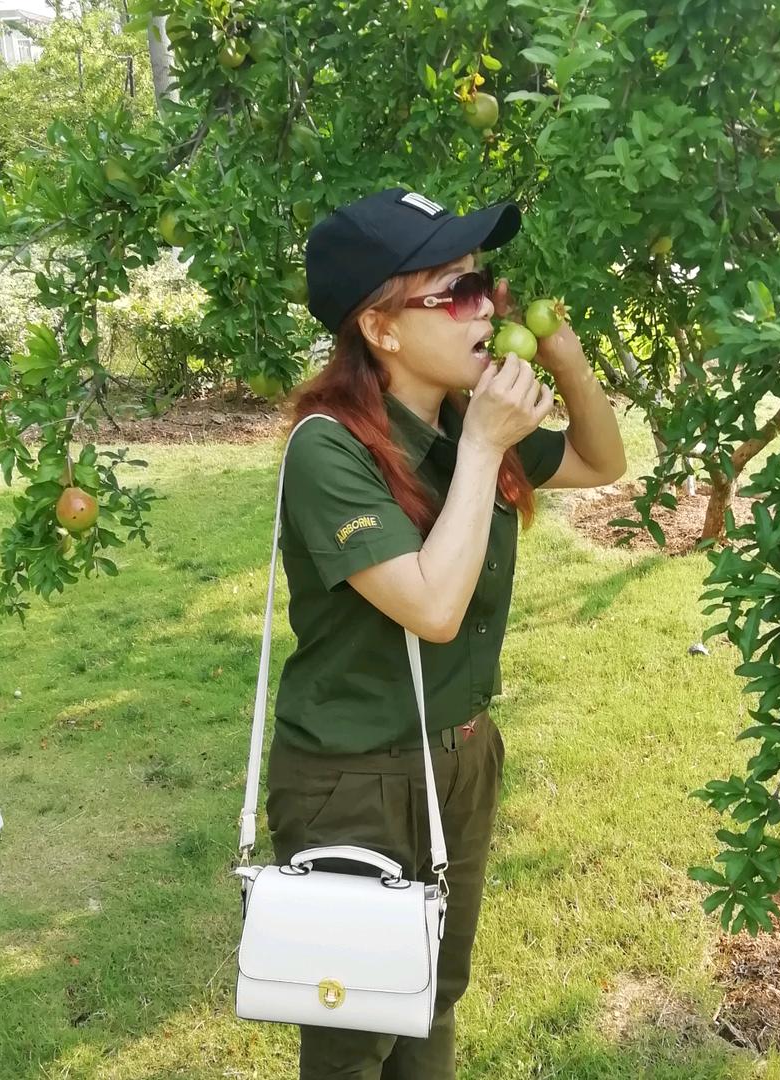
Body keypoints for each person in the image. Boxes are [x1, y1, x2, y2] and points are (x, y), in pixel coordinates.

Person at [265, 187, 626, 1079]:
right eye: (453, 292)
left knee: (432, 1000)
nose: (489, 308)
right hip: (354, 773)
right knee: (352, 1036)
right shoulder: (329, 449)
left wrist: (567, 360)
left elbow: (601, 461)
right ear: (381, 329)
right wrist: (483, 451)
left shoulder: (468, 418)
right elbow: (432, 607)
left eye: (487, 284)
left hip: (460, 751)